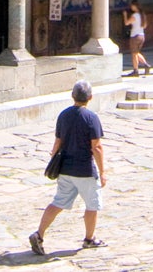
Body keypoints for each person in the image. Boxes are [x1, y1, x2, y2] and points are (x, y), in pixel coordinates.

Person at [29, 81, 106, 255]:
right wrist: (102, 171)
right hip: (85, 169)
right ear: (90, 97)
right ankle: (89, 238)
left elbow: (58, 142)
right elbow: (96, 147)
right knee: (92, 205)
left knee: (58, 203)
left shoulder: (63, 115)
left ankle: (39, 233)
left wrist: (53, 160)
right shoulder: (91, 118)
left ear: (73, 96)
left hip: (65, 168)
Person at [122, 2, 150, 77]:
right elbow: (144, 26)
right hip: (141, 35)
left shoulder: (134, 16)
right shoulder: (142, 16)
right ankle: (146, 65)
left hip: (135, 36)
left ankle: (136, 70)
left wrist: (125, 15)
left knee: (134, 54)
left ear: (135, 6)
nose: (131, 7)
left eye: (132, 5)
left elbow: (126, 23)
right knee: (136, 52)